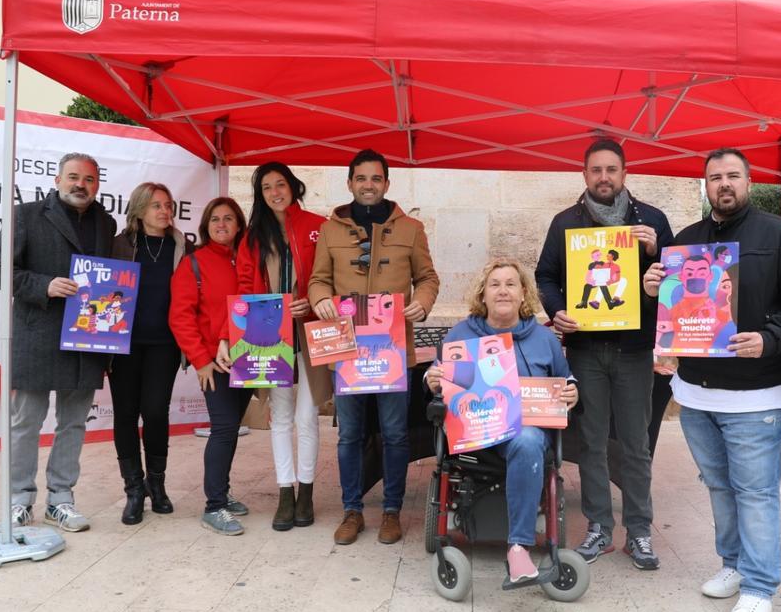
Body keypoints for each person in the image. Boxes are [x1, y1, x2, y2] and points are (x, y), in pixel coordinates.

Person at [643, 147, 781, 612]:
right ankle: (734, 563)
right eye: (715, 177)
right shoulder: (686, 242)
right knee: (720, 487)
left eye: (733, 176)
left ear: (749, 181)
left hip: (759, 395)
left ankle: (760, 587)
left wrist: (769, 339)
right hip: (696, 393)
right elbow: (674, 312)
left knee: (756, 493)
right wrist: (654, 288)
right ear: (705, 185)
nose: (724, 184)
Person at [535, 139, 673, 571]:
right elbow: (546, 275)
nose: (604, 177)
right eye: (596, 170)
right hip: (585, 350)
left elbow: (679, 281)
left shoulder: (652, 220)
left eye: (612, 170)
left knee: (635, 443)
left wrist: (656, 252)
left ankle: (639, 531)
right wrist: (556, 311)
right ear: (585, 175)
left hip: (634, 350)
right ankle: (598, 526)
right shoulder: (564, 223)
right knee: (592, 440)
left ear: (625, 174)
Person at [308, 148, 440, 545]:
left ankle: (391, 511)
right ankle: (352, 510)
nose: (368, 185)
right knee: (349, 433)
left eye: (376, 178)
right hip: (346, 348)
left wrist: (424, 302)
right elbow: (318, 279)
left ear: (386, 183)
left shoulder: (411, 228)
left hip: (392, 349)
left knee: (395, 433)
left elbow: (428, 277)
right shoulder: (331, 229)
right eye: (361, 178)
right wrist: (320, 300)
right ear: (350, 183)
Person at [0, 152, 116, 532]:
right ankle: (19, 499)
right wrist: (44, 285)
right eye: (73, 177)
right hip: (38, 334)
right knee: (26, 421)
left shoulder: (106, 224)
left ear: (97, 185)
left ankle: (61, 499)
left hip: (87, 339)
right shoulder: (25, 216)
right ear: (57, 180)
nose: (81, 185)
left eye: (89, 179)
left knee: (73, 423)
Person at [424, 259, 578, 583]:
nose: (503, 290)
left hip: (525, 439)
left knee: (527, 439)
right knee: (525, 439)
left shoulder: (544, 339)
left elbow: (567, 380)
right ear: (483, 294)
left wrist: (571, 392)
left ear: (524, 294)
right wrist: (433, 377)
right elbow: (436, 376)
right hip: (475, 436)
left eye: (511, 284)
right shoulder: (461, 334)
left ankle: (518, 549)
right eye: (495, 284)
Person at [227, 162, 332, 531]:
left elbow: (329, 275)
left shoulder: (319, 225)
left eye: (281, 184)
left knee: (307, 417)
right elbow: (243, 286)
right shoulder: (253, 236)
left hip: (311, 331)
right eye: (267, 187)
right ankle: (285, 492)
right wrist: (262, 314)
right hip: (268, 334)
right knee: (281, 417)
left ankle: (306, 491)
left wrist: (310, 299)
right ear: (260, 194)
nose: (275, 191)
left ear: (294, 186)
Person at [107, 182, 192, 524]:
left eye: (168, 205)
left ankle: (157, 485)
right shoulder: (118, 245)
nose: (165, 211)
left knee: (155, 412)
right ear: (139, 209)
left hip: (165, 344)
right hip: (122, 344)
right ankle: (134, 490)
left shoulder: (183, 247)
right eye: (156, 205)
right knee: (125, 414)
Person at [170, 197, 255, 535]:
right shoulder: (194, 263)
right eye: (215, 219)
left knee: (231, 427)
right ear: (205, 226)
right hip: (214, 363)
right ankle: (214, 506)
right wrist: (200, 360)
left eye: (229, 219)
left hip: (248, 359)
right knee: (223, 428)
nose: (222, 224)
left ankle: (222, 491)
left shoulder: (248, 260)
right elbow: (180, 317)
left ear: (239, 225)